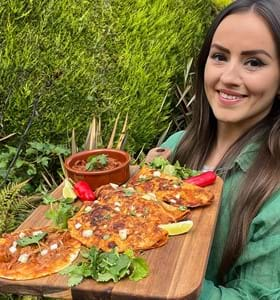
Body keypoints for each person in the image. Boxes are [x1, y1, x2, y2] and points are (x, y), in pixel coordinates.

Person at [160, 0, 280, 298]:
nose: (228, 78)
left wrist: (161, 283)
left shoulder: (274, 190)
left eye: (254, 62)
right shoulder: (174, 147)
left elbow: (257, 295)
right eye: (219, 56)